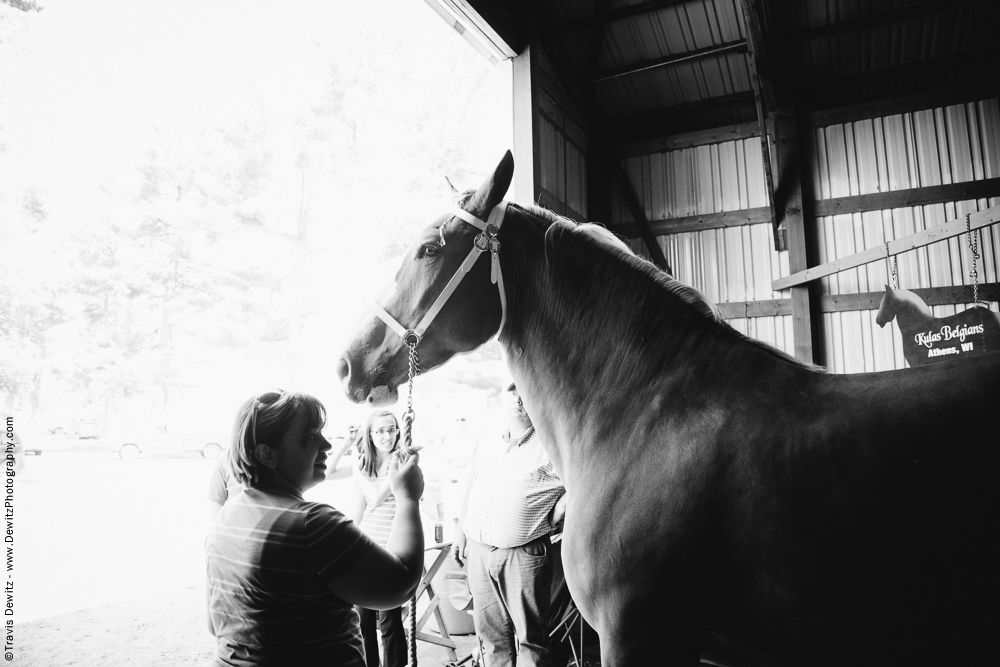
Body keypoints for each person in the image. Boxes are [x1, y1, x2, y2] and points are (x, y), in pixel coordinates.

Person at [205, 390, 424, 666]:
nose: (326, 445)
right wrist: (408, 498)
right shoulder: (312, 524)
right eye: (310, 437)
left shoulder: (225, 520)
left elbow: (215, 626)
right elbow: (399, 587)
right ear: (267, 454)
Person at [452, 382, 567, 667]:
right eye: (513, 392)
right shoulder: (488, 436)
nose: (519, 398)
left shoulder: (552, 442)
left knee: (532, 640)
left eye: (527, 391)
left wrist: (554, 516)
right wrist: (460, 532)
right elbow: (470, 484)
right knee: (490, 638)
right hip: (479, 550)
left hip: (524, 554)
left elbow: (578, 487)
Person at [346, 410, 409, 667]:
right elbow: (359, 511)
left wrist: (356, 470)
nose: (387, 435)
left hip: (390, 550)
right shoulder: (365, 465)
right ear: (370, 435)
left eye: (391, 429)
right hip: (366, 548)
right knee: (363, 620)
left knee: (390, 619)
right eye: (380, 431)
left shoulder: (401, 460)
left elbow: (377, 497)